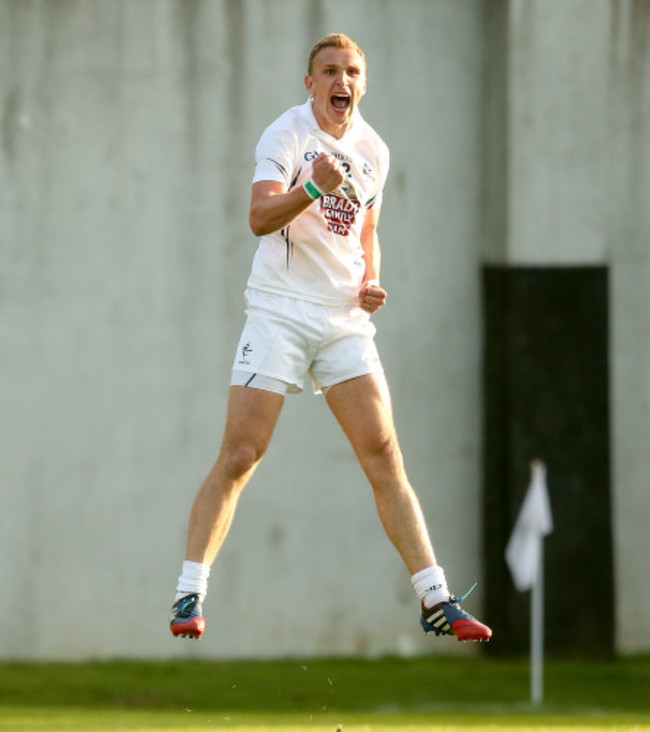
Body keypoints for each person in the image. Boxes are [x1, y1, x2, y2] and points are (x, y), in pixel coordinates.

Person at [169, 33, 492, 643]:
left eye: (351, 72)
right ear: (310, 82)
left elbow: (367, 228)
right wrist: (313, 186)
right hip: (279, 312)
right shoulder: (285, 135)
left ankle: (434, 597)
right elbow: (259, 219)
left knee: (384, 454)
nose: (341, 81)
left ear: (361, 85)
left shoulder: (374, 150)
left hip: (343, 320)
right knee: (242, 455)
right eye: (329, 71)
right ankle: (190, 592)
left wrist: (371, 278)